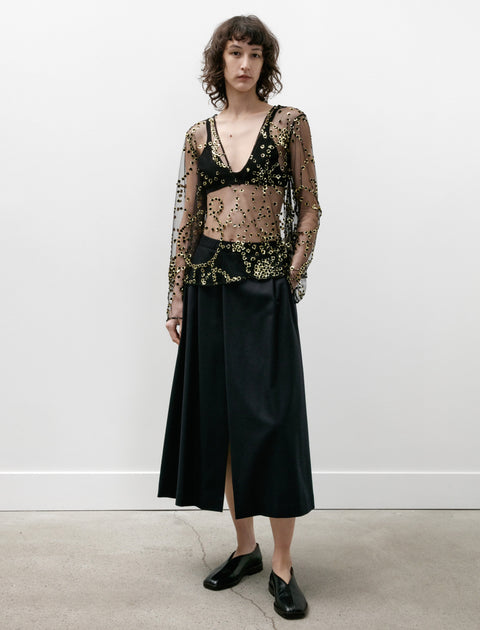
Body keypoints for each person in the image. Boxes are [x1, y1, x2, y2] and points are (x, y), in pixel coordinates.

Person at [157, 14, 322, 620]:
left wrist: (289, 277)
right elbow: (187, 218)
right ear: (219, 62)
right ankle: (245, 548)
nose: (245, 64)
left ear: (265, 63)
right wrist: (176, 296)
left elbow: (310, 206)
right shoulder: (198, 135)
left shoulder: (289, 124)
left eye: (254, 54)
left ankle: (283, 565)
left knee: (271, 421)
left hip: (264, 289)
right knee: (224, 422)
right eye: (235, 53)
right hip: (208, 287)